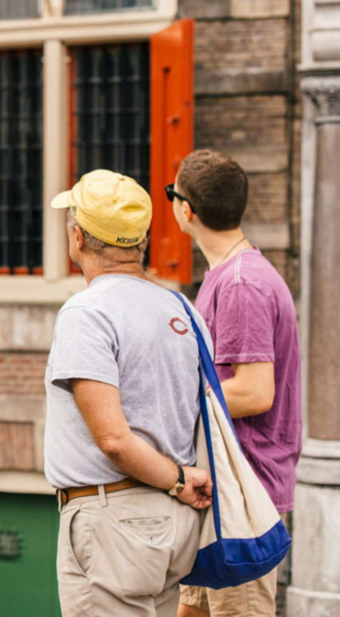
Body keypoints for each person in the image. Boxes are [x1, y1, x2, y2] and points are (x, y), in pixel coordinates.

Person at [45, 169, 214, 617]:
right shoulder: (183, 309)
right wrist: (179, 482)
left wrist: (177, 481)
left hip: (115, 522)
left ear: (78, 236)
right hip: (176, 528)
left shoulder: (87, 312)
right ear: (140, 241)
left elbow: (114, 440)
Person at [170, 150, 302, 617]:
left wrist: (172, 399)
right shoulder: (227, 277)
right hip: (217, 492)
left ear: (185, 209)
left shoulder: (243, 283)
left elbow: (254, 390)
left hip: (243, 499)